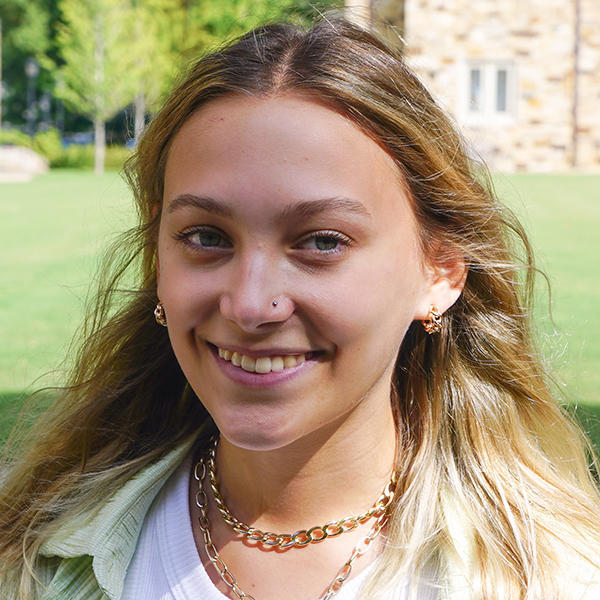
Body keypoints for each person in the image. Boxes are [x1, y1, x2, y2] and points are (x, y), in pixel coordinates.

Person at [1, 14, 599, 600]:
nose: (250, 304)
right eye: (207, 237)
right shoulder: (30, 557)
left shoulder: (552, 579)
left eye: (321, 242)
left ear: (439, 271)